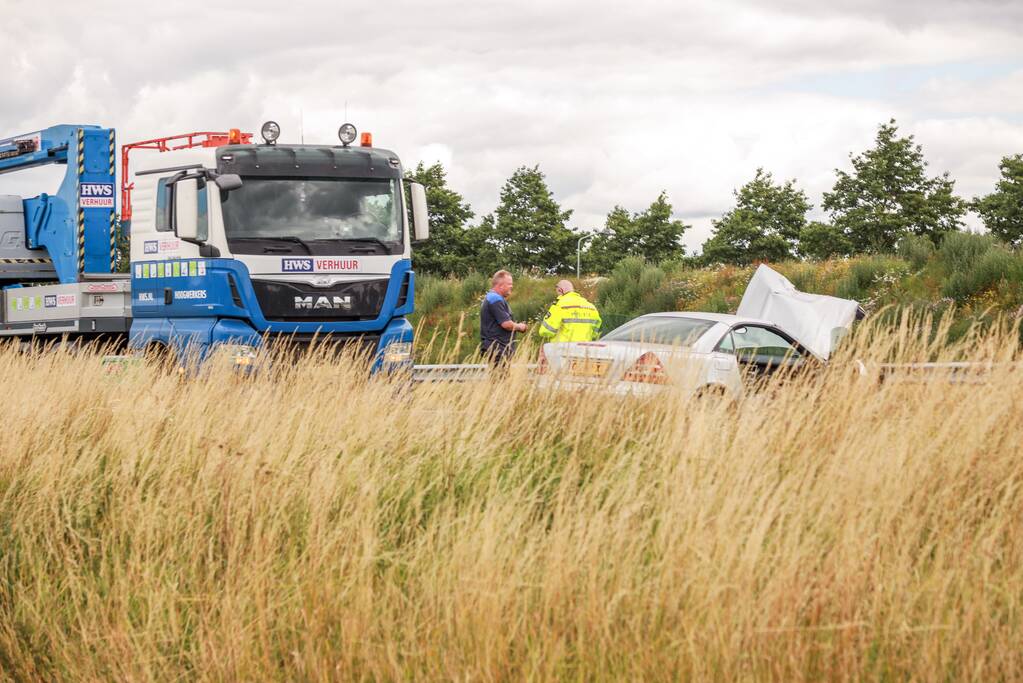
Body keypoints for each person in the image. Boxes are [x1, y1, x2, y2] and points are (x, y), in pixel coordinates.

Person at [480, 270, 528, 365]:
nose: (512, 286)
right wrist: (520, 326)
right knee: (500, 378)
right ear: (500, 285)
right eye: (509, 284)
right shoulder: (495, 299)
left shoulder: (492, 298)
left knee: (498, 379)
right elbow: (506, 324)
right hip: (498, 349)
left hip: (497, 348)